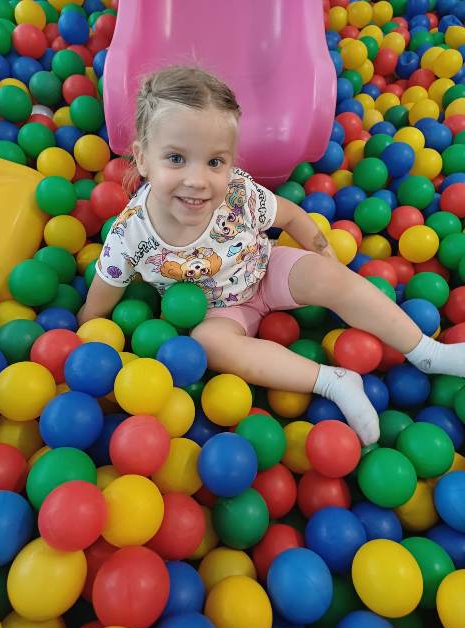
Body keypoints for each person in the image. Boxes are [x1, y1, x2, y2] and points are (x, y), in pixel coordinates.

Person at [79, 65, 465, 446]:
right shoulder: (130, 234)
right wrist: (80, 337)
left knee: (328, 276)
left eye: (214, 162)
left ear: (230, 162)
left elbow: (292, 216)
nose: (197, 180)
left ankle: (426, 351)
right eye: (176, 159)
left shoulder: (236, 194)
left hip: (266, 269)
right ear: (142, 158)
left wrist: (326, 258)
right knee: (208, 343)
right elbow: (100, 298)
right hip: (217, 310)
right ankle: (332, 381)